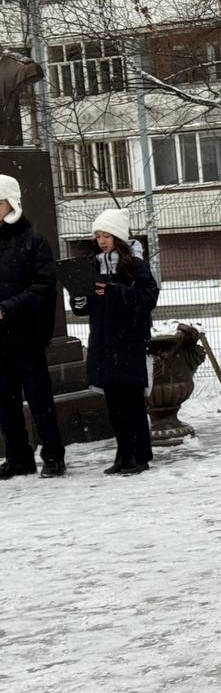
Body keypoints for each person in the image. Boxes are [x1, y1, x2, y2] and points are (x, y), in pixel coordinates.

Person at [70, 208, 158, 475]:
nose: (102, 241)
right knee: (114, 404)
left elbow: (149, 297)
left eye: (106, 235)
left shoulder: (134, 264)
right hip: (103, 341)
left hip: (128, 342)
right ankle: (123, 454)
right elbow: (83, 307)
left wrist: (116, 291)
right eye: (98, 236)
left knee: (131, 402)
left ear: (118, 237)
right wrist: (79, 299)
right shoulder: (93, 266)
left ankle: (140, 455)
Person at [0, 174, 65, 479]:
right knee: (5, 401)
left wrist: (8, 307)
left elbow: (44, 286)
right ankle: (18, 458)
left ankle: (53, 456)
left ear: (11, 204)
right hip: (0, 337)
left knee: (39, 398)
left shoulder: (34, 241)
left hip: (26, 334)